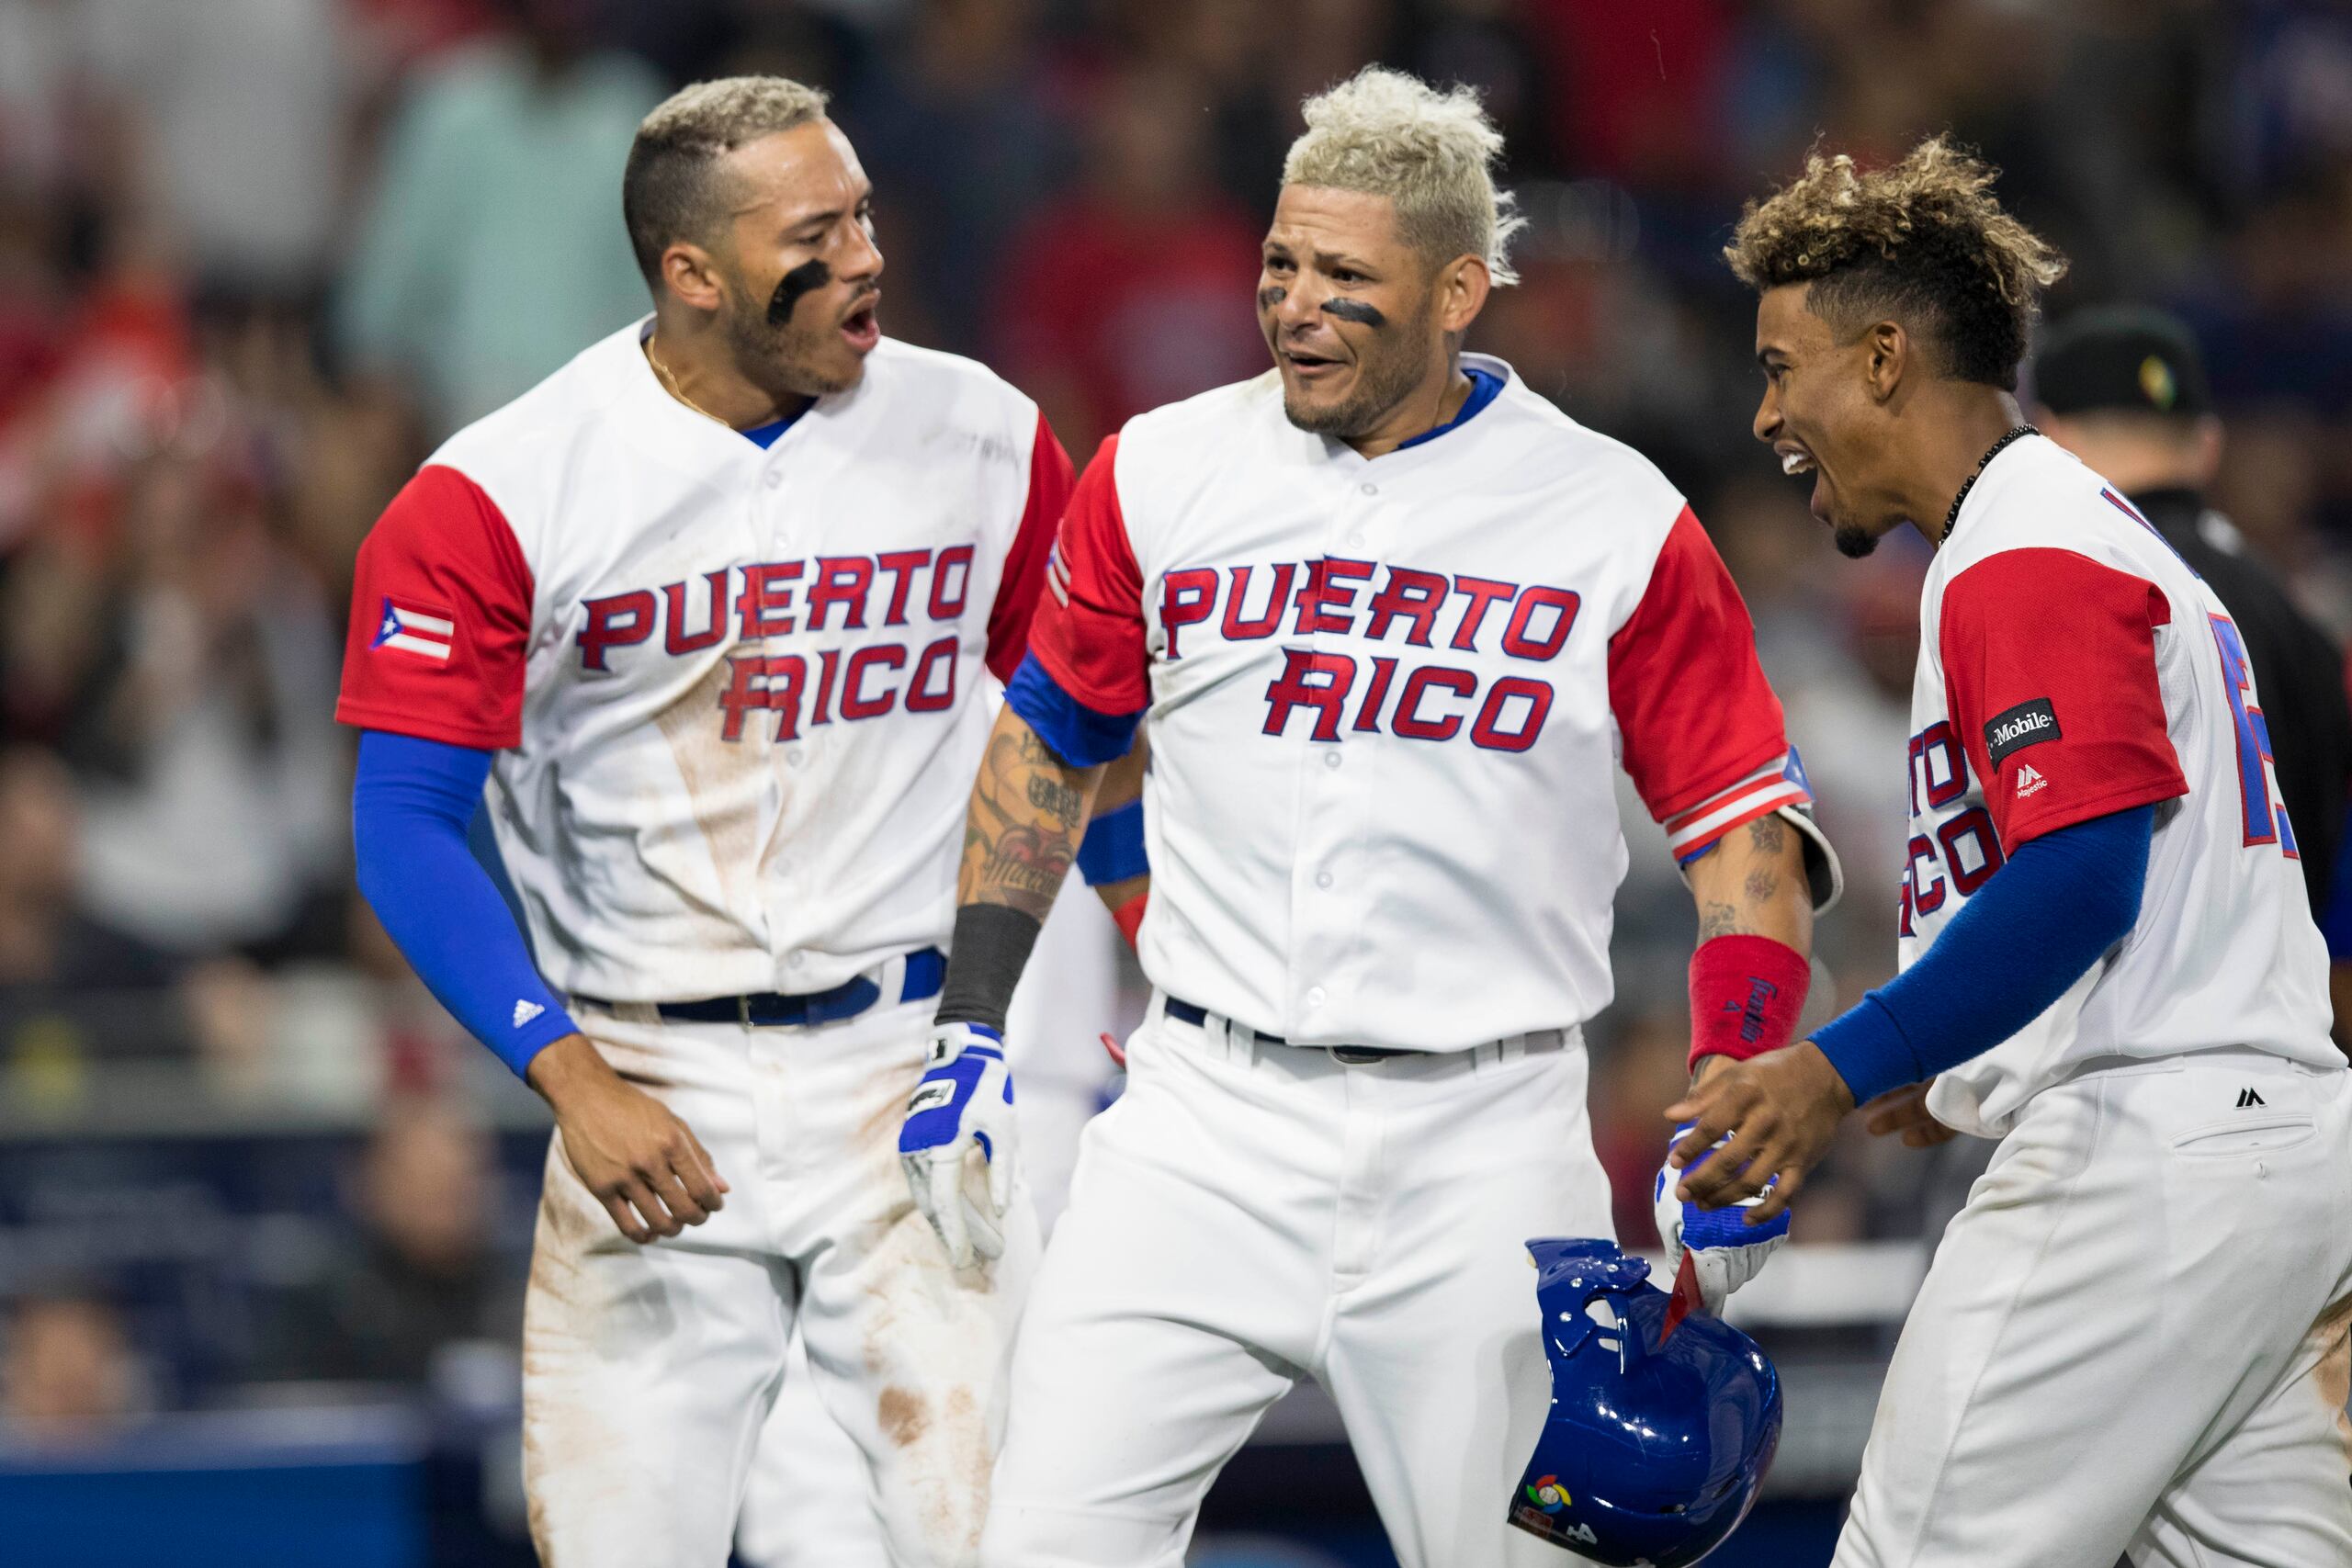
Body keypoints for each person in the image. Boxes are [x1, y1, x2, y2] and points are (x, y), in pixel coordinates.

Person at [924, 67, 1838, 1568]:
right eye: (1281, 265)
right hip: (1198, 1130)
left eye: (1346, 276)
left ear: (1459, 289)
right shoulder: (1160, 465)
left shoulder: (1611, 515)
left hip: (1479, 1143)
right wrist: (970, 1022)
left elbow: (1744, 839)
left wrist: (1736, 1076)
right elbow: (1052, 751)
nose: (1294, 303)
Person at [336, 75, 1140, 1568]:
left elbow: (1085, 740)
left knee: (1006, 1542)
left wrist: (1167, 964)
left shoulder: (982, 435)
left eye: (866, 216)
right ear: (691, 274)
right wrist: (567, 1075)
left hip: (910, 1078)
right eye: (816, 233)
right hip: (645, 1078)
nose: (866, 259)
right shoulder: (499, 490)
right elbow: (403, 826)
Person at [1682, 137, 2352, 1567]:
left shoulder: (2025, 550)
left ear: (1880, 361)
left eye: (1780, 365)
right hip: (2269, 1154)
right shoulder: (2071, 531)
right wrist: (1972, 1051)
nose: (1763, 412)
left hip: (2149, 1162)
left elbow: (2082, 871)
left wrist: (1834, 1063)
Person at [2032, 306, 2352, 926]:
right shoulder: (2294, 617)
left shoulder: (2079, 591)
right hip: (2290, 997)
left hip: (2136, 1007)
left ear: (2048, 441)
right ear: (2208, 446)